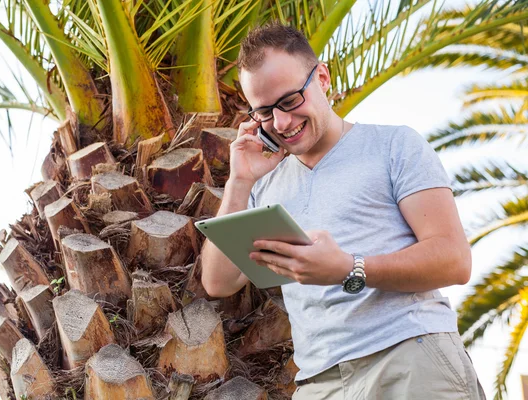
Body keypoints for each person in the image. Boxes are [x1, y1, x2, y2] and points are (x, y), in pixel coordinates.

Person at [200, 22, 486, 400]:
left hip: (408, 357)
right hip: (319, 382)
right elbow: (219, 283)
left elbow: (454, 260)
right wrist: (239, 183)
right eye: (265, 112)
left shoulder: (394, 145)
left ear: (321, 77)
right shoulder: (262, 185)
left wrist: (349, 269)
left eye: (289, 101)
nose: (282, 123)